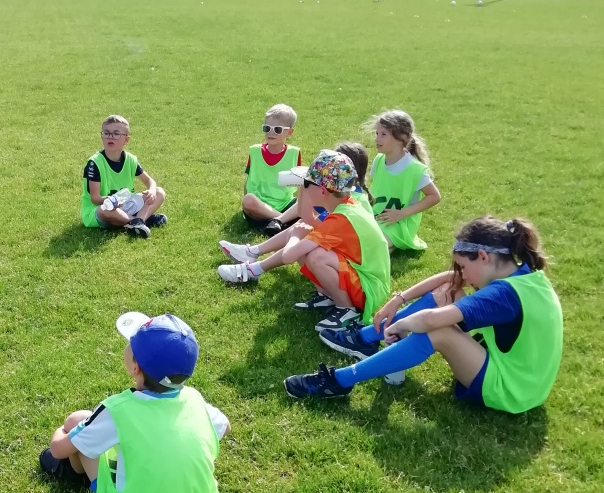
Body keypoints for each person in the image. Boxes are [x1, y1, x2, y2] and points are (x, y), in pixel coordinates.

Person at [285, 216, 563, 412]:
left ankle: (338, 381)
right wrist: (399, 300)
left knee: (438, 331)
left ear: (483, 256)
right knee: (447, 293)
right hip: (528, 382)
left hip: (512, 391)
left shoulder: (503, 293)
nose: (463, 275)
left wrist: (401, 325)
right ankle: (367, 338)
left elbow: (431, 320)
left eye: (464, 266)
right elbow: (449, 280)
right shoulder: (524, 275)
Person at [40, 313, 229, 493]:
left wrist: (63, 429)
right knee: (90, 432)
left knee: (76, 421)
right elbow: (225, 427)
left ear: (135, 367)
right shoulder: (195, 400)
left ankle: (75, 474)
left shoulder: (117, 410)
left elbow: (57, 449)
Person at [217, 150, 391, 332]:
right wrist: (303, 187)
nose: (305, 188)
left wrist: (295, 236)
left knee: (317, 255)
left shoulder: (340, 219)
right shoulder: (346, 206)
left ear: (322, 191)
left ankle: (347, 310)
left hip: (369, 290)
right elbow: (307, 218)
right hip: (365, 281)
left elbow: (289, 256)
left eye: (307, 184)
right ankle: (328, 296)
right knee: (308, 239)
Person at [81, 114, 167, 238]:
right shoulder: (95, 163)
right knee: (106, 210)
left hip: (125, 205)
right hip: (102, 209)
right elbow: (95, 198)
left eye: (116, 134)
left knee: (160, 192)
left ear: (126, 140)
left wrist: (151, 191)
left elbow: (150, 181)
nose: (110, 137)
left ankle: (136, 222)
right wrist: (112, 201)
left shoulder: (130, 160)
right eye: (106, 133)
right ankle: (139, 221)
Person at [367, 109, 441, 251]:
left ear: (400, 138)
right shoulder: (379, 160)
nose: (377, 139)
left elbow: (434, 196)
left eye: (383, 134)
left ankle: (392, 243)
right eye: (377, 133)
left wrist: (401, 214)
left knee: (374, 244)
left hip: (400, 223)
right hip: (377, 217)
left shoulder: (415, 169)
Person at [238, 105, 304, 233]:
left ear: (289, 132)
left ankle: (276, 222)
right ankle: (282, 221)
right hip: (259, 205)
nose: (271, 132)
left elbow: (299, 184)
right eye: (267, 128)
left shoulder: (294, 153)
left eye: (277, 129)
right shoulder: (255, 151)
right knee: (248, 200)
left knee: (309, 201)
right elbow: (248, 182)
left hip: (285, 203)